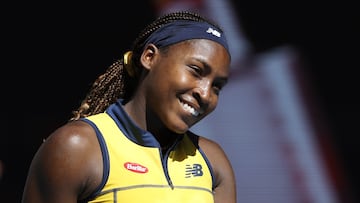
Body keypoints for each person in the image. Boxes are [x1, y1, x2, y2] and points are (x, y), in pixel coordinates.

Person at [22, 10, 236, 203]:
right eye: (196, 70)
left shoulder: (213, 161)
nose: (206, 94)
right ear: (149, 57)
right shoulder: (76, 148)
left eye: (217, 86)